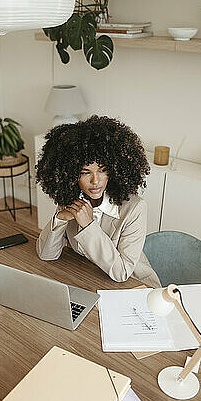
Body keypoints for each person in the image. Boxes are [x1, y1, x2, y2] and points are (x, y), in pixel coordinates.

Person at [36, 115, 160, 288]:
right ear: (72, 174)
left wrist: (88, 226)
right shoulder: (71, 199)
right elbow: (46, 255)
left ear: (115, 170)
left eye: (102, 171)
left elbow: (122, 273)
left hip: (135, 287)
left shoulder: (135, 209)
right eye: (85, 172)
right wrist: (60, 219)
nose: (96, 181)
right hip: (90, 279)